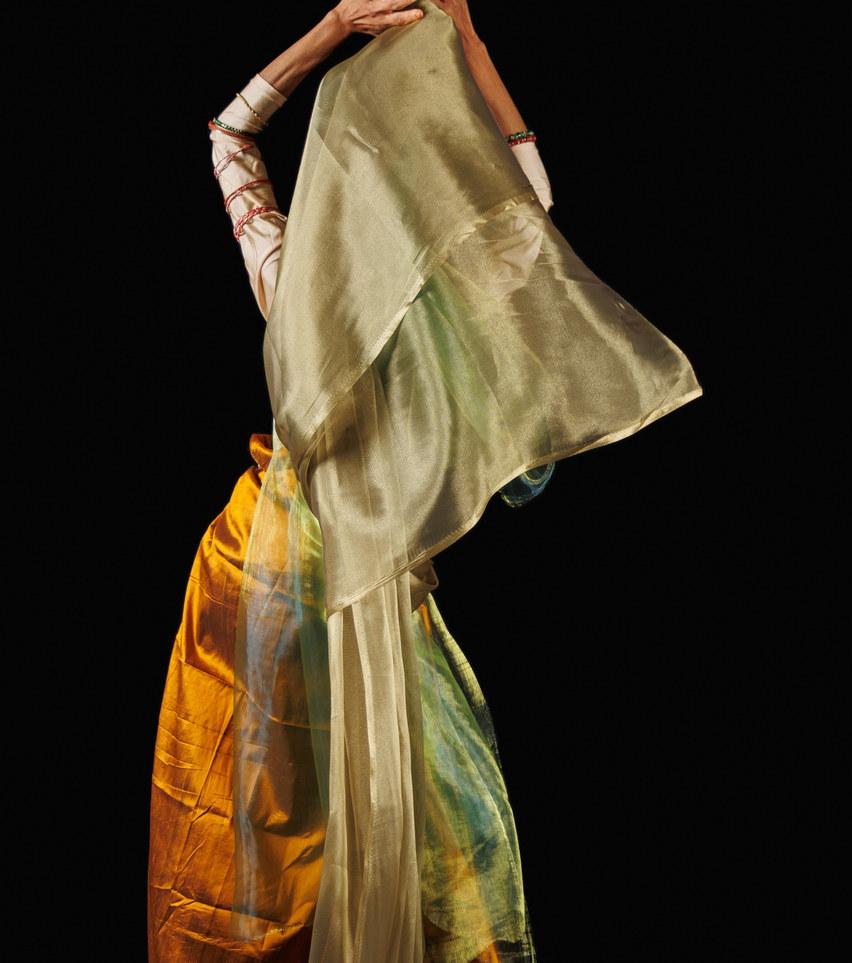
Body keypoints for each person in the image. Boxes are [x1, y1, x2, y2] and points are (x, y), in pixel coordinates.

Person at [149, 2, 681, 960]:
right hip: (312, 583)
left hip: (273, 563)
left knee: (264, 832)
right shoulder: (463, 305)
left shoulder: (290, 279)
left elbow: (230, 135)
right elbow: (526, 188)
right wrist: (465, 38)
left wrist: (332, 28)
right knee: (398, 828)